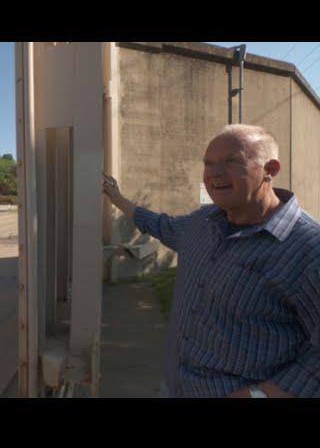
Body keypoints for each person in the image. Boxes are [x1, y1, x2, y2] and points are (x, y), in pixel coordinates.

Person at [102, 124, 320, 398]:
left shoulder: (309, 249)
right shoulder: (200, 224)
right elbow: (159, 224)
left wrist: (264, 394)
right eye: (209, 164)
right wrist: (117, 198)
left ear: (270, 169)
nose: (215, 174)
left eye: (232, 162)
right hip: (174, 387)